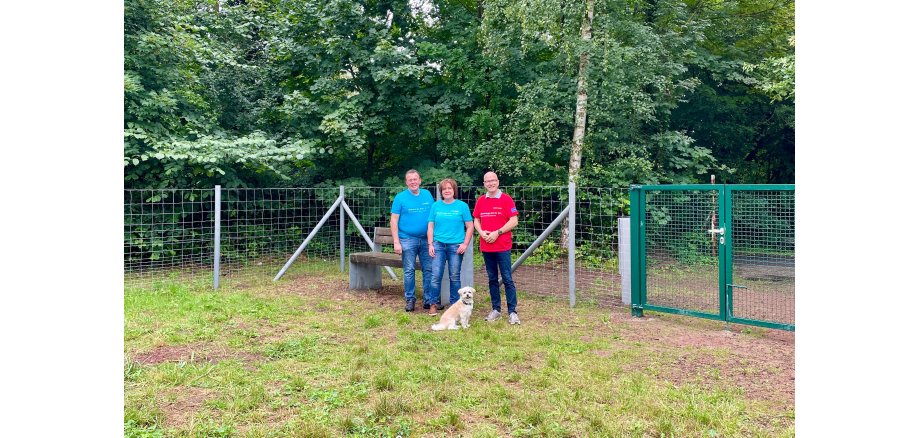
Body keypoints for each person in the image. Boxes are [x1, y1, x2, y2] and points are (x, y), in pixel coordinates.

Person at [473, 171, 521, 325]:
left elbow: (514, 221)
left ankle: (512, 312)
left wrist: (497, 232)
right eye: (487, 181)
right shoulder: (481, 200)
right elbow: (476, 220)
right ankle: (496, 309)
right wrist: (481, 233)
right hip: (487, 246)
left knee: (507, 279)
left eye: (493, 180)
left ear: (498, 182)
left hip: (502, 246)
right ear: (484, 183)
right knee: (492, 279)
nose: (490, 183)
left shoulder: (506, 199)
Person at [427, 178, 474, 316]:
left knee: (454, 276)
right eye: (444, 189)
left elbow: (470, 226)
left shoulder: (462, 206)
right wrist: (430, 244)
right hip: (438, 245)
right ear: (441, 191)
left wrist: (465, 243)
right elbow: (430, 226)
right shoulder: (436, 206)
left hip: (456, 246)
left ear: (454, 190)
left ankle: (455, 305)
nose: (447, 191)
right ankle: (433, 304)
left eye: (450, 188)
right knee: (436, 275)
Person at [390, 169, 434, 312]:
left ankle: (429, 300)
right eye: (410, 180)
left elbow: (433, 218)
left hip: (426, 239)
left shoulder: (427, 195)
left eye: (415, 179)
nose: (413, 182)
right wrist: (396, 242)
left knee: (428, 269)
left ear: (420, 180)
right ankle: (410, 299)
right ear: (406, 182)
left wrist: (432, 240)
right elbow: (394, 220)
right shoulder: (400, 198)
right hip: (407, 239)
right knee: (409, 270)